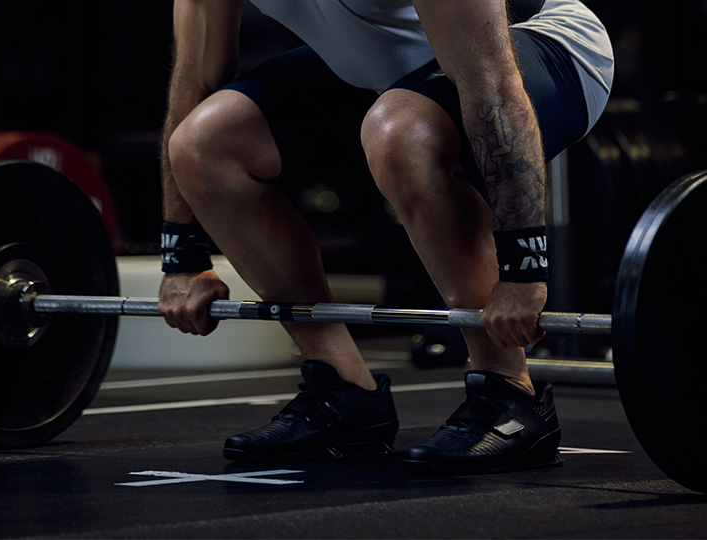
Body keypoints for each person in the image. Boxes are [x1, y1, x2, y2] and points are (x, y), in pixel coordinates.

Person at [158, 0, 613, 472]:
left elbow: (492, 82)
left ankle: (508, 393)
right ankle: (344, 392)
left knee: (402, 131)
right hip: (381, 73)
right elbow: (195, 82)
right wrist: (182, 255)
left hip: (544, 47)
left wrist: (522, 269)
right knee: (203, 142)